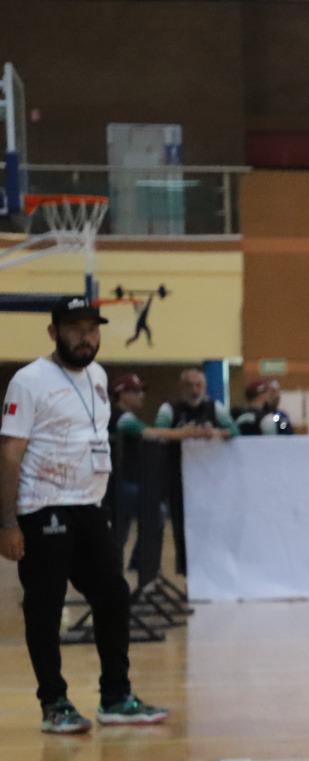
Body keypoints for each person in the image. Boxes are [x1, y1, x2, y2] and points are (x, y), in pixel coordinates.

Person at [0, 299, 170, 733]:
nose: (86, 337)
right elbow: (10, 454)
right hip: (43, 508)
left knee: (112, 594)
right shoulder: (29, 380)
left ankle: (115, 696)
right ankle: (54, 702)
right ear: (53, 332)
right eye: (75, 328)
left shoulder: (98, 377)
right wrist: (8, 523)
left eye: (92, 329)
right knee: (45, 604)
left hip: (89, 507)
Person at [107, 373, 211, 556]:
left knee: (124, 531)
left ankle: (136, 567)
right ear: (122, 394)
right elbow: (152, 433)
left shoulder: (121, 417)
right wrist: (185, 433)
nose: (142, 395)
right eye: (136, 391)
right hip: (118, 484)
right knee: (152, 514)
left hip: (124, 482)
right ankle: (141, 568)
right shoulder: (122, 418)